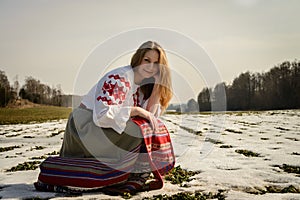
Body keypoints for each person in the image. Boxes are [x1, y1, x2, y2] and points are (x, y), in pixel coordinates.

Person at [34, 41, 175, 195]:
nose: (150, 67)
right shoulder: (120, 78)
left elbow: (151, 118)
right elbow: (102, 116)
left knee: (145, 127)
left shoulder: (143, 86)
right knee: (138, 129)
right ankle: (110, 173)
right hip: (85, 126)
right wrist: (136, 110)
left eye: (156, 64)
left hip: (104, 128)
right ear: (138, 59)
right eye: (146, 60)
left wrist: (156, 88)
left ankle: (126, 171)